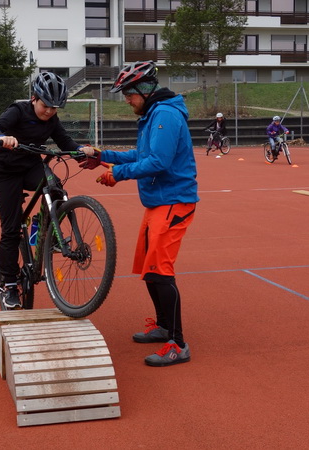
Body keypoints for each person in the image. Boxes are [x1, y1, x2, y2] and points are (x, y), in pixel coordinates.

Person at [80, 61, 199, 367]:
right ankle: (162, 327)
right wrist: (102, 156)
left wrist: (117, 174)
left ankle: (178, 343)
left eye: (129, 94)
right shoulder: (151, 115)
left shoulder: (165, 115)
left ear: (144, 90)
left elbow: (157, 161)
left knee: (160, 271)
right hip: (159, 202)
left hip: (174, 201)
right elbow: (140, 155)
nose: (126, 99)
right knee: (149, 270)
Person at [0, 71, 92, 310]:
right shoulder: (18, 110)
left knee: (55, 187)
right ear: (34, 98)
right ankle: (10, 285)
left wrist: (81, 150)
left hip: (32, 167)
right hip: (5, 173)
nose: (50, 112)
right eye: (46, 106)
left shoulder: (52, 120)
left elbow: (65, 143)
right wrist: (3, 137)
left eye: (55, 108)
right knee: (11, 230)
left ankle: (48, 232)